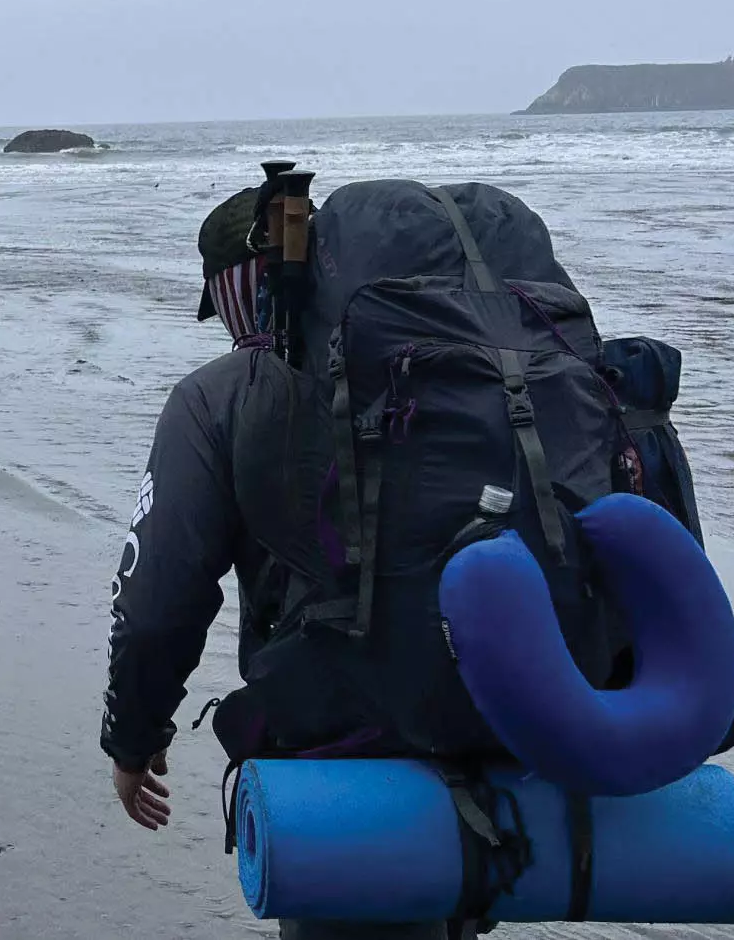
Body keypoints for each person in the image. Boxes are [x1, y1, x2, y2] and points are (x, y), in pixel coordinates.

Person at [100, 185, 466, 940]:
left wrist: (133, 740)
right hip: (486, 722)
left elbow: (156, 604)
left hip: (335, 755)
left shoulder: (222, 397)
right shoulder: (453, 375)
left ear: (243, 285)